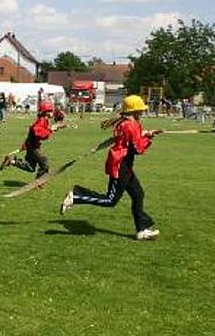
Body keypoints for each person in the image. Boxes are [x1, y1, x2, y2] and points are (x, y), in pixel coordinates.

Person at [59, 95, 162, 241]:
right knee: (110, 200)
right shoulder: (131, 125)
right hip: (121, 165)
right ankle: (76, 196)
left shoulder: (127, 122)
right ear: (135, 111)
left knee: (138, 194)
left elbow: (130, 139)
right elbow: (137, 149)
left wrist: (146, 134)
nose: (143, 112)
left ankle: (142, 229)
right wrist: (148, 138)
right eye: (141, 109)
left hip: (124, 164)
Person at [1, 100, 62, 178]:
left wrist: (53, 128)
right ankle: (39, 182)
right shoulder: (42, 120)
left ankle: (12, 161)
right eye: (50, 110)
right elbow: (38, 132)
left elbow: (38, 131)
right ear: (46, 112)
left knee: (30, 167)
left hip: (31, 145)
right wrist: (50, 130)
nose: (52, 112)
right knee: (44, 163)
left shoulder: (45, 120)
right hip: (33, 147)